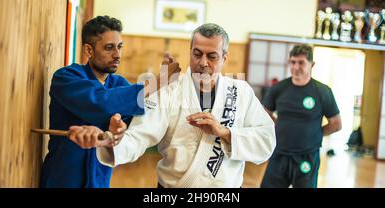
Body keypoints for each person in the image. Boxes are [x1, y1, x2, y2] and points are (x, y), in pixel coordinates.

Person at [69, 23, 276, 188]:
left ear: (224, 57)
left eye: (211, 56)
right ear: (190, 52)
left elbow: (266, 139)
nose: (203, 62)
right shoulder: (170, 91)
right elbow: (139, 135)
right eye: (197, 54)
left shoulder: (240, 92)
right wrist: (109, 140)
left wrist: (225, 133)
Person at [40, 15, 180, 188]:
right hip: (62, 178)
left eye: (119, 47)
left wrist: (120, 128)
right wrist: (159, 82)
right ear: (89, 51)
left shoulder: (120, 84)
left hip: (99, 180)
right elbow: (100, 103)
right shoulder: (66, 77)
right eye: (109, 48)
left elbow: (133, 127)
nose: (117, 54)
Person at [260, 44, 342, 188]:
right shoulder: (278, 89)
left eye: (301, 62)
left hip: (307, 157)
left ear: (312, 64)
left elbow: (336, 124)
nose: (296, 67)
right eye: (293, 62)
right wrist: (278, 124)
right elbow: (264, 112)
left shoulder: (322, 91)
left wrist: (316, 133)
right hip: (279, 153)